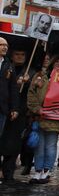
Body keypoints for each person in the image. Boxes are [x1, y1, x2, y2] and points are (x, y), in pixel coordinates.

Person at [26, 55, 59, 184]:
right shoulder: (40, 77)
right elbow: (31, 94)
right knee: (39, 145)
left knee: (50, 146)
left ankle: (46, 170)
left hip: (54, 119)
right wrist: (37, 109)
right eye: (57, 62)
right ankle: (38, 170)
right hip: (40, 117)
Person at [0, 46, 26, 182]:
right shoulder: (7, 66)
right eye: (17, 54)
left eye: (22, 54)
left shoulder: (29, 70)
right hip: (5, 109)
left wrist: (28, 83)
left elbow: (16, 91)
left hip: (17, 112)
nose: (20, 57)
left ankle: (8, 171)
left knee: (14, 144)